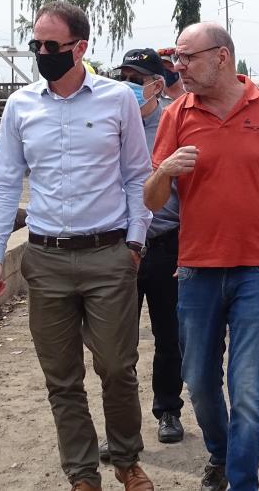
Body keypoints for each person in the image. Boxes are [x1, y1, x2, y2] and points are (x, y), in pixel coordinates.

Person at [0, 1, 156, 491]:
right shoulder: (21, 107)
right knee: (61, 377)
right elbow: (2, 184)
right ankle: (82, 474)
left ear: (80, 48)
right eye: (35, 44)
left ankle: (125, 459)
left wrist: (134, 243)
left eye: (51, 46)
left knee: (118, 367)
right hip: (46, 258)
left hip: (108, 255)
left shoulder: (118, 99)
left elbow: (136, 177)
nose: (41, 53)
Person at [144, 22, 259, 491]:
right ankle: (221, 454)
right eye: (176, 59)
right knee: (200, 382)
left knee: (247, 390)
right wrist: (165, 170)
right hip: (197, 270)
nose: (178, 67)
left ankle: (242, 481)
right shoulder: (176, 116)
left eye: (186, 57)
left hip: (258, 270)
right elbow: (150, 199)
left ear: (221, 57)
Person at [89, 49, 186, 460]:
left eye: (137, 77)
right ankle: (121, 430)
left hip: (164, 244)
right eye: (123, 75)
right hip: (117, 248)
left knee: (169, 336)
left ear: (157, 83)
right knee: (116, 346)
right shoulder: (105, 117)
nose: (128, 83)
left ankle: (168, 410)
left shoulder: (176, 120)